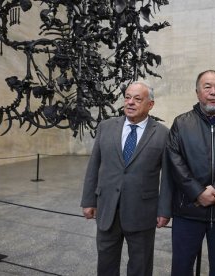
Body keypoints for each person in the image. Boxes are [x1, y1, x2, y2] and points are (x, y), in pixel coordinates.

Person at [158, 70, 215, 276]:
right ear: (197, 92)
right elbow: (175, 161)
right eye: (207, 87)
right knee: (181, 268)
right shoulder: (181, 123)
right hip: (188, 210)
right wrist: (198, 192)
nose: (213, 92)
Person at [80, 81, 170, 276]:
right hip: (107, 209)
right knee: (106, 263)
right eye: (127, 97)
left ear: (150, 105)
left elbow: (168, 178)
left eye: (137, 99)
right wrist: (88, 200)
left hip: (142, 212)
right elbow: (94, 166)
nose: (130, 102)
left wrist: (164, 210)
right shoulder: (106, 127)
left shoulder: (163, 134)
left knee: (140, 265)